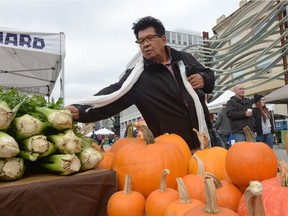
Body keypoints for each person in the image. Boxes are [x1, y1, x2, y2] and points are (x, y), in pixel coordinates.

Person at [65, 16, 215, 153]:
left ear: (163, 39)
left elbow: (209, 76)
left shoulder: (184, 58)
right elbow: (113, 95)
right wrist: (81, 110)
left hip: (206, 139)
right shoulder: (137, 77)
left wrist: (203, 79)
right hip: (171, 150)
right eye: (141, 41)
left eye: (150, 38)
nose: (146, 44)